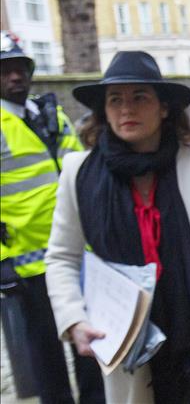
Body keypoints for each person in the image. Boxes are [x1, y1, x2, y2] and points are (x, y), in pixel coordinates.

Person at [44, 51, 190, 403]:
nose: (126, 109)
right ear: (104, 111)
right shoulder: (79, 173)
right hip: (125, 338)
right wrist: (73, 319)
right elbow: (62, 258)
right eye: (115, 100)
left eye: (140, 97)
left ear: (164, 107)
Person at [0, 30, 105, 404]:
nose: (15, 77)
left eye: (21, 69)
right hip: (27, 262)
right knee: (45, 350)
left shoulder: (51, 114)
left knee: (88, 339)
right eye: (5, 71)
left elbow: (81, 173)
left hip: (77, 251)